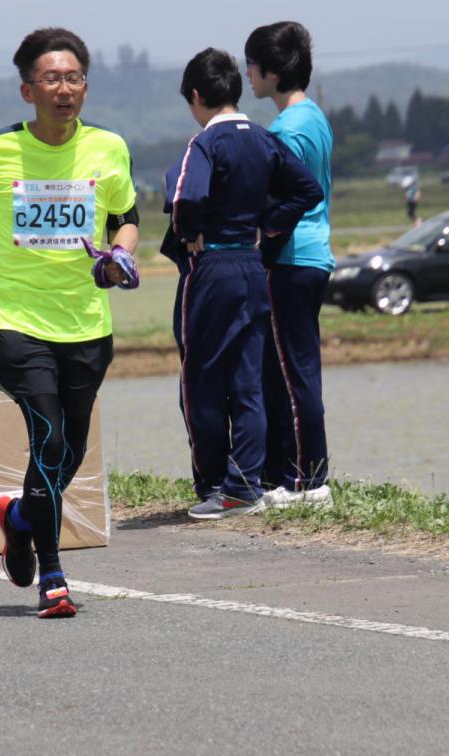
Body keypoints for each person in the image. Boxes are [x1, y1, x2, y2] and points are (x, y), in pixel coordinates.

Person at [0, 27, 140, 618]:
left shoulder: (109, 148)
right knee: (49, 437)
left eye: (74, 77)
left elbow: (125, 219)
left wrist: (120, 256)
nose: (65, 88)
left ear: (85, 86)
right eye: (52, 79)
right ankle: (53, 577)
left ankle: (21, 516)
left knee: (69, 450)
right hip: (16, 322)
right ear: (27, 90)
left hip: (86, 324)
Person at [162, 47, 322, 520]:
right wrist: (267, 224)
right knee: (248, 380)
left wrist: (189, 234)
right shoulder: (263, 138)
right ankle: (246, 485)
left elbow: (186, 196)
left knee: (201, 379)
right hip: (254, 267)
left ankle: (214, 484)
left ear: (196, 96)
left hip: (211, 271)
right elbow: (306, 190)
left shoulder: (203, 145)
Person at [244, 21, 336, 509]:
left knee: (294, 370)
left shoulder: (286, 130)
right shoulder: (314, 117)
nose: (248, 74)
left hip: (292, 258)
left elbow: (291, 198)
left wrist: (261, 235)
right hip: (314, 254)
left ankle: (308, 480)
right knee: (289, 368)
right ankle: (290, 474)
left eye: (253, 66)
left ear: (274, 72)